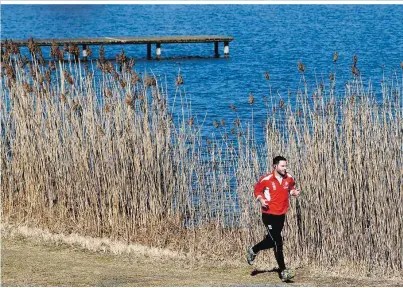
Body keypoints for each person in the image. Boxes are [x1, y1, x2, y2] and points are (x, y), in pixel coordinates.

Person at [247, 156, 300, 281]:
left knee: (272, 241)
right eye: (282, 166)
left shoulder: (289, 178)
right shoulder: (266, 179)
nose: (285, 168)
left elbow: (291, 188)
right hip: (269, 214)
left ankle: (253, 249)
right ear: (275, 166)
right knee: (278, 242)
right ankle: (283, 271)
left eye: (285, 166)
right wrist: (261, 199)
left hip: (281, 214)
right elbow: (257, 190)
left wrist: (294, 193)